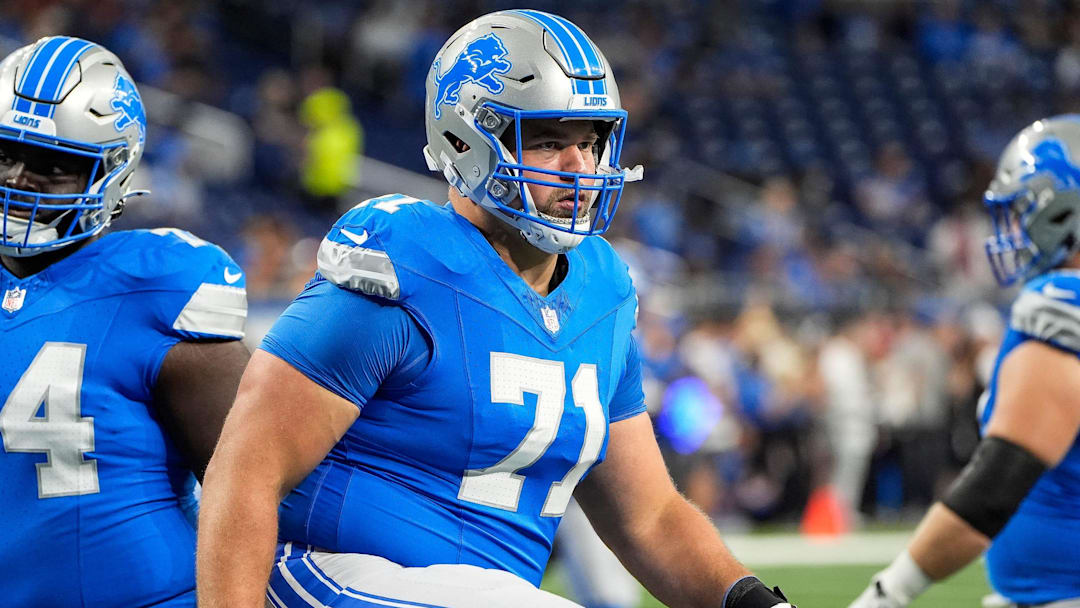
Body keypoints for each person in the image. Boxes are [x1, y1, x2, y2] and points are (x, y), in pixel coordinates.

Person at [197, 10, 794, 608]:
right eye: (549, 141)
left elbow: (652, 520)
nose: (580, 167)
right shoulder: (407, 262)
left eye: (589, 141)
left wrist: (753, 603)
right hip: (334, 577)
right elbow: (247, 470)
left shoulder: (602, 290)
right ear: (466, 140)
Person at [0, 37, 249, 607]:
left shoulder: (157, 284)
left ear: (111, 172)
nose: (17, 178)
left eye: (54, 164)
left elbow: (256, 489)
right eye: (5, 154)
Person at [849, 115, 1080, 608]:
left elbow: (993, 490)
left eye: (1024, 211)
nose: (1015, 230)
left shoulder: (1062, 306)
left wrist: (888, 593)